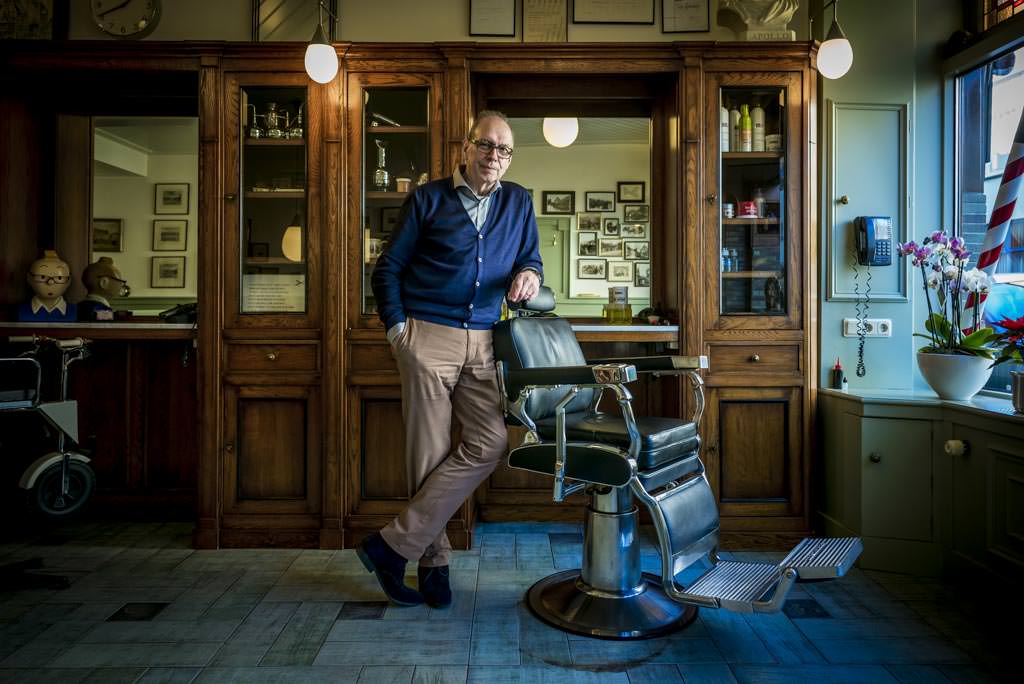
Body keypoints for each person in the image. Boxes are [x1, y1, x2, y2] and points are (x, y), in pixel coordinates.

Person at [364, 110, 542, 608]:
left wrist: (529, 272)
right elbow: (389, 269)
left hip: (485, 339)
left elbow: (531, 256)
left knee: (489, 442)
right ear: (465, 148)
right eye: (486, 145)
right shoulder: (428, 199)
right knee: (429, 450)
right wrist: (400, 330)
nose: (494, 156)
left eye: (504, 150)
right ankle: (434, 563)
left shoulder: (519, 202)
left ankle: (392, 545)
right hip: (427, 334)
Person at [17, 250, 77, 322]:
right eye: (42, 277)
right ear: (29, 278)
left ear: (68, 281)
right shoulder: (19, 311)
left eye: (59, 278)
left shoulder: (77, 311)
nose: (50, 282)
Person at [78, 257, 130, 322]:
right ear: (104, 282)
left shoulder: (77, 308)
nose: (121, 285)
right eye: (119, 281)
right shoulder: (104, 312)